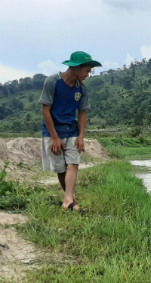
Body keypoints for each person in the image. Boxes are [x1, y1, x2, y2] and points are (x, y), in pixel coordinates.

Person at [39, 51, 101, 211]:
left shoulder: (82, 89)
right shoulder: (52, 82)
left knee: (73, 163)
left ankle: (68, 200)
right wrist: (54, 137)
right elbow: (46, 110)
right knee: (60, 168)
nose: (88, 74)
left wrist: (81, 136)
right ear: (76, 68)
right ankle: (70, 199)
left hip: (72, 130)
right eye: (87, 71)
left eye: (90, 71)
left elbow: (82, 113)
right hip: (54, 131)